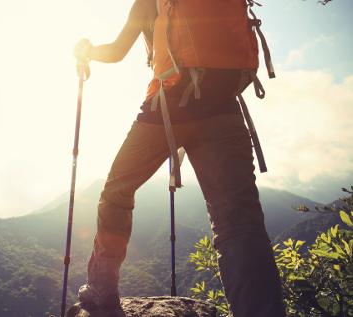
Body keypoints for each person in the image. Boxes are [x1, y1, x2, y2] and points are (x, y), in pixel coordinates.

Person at [73, 0, 286, 316]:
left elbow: (117, 52)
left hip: (167, 107)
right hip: (224, 106)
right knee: (238, 222)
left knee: (116, 192)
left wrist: (86, 51)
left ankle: (101, 290)